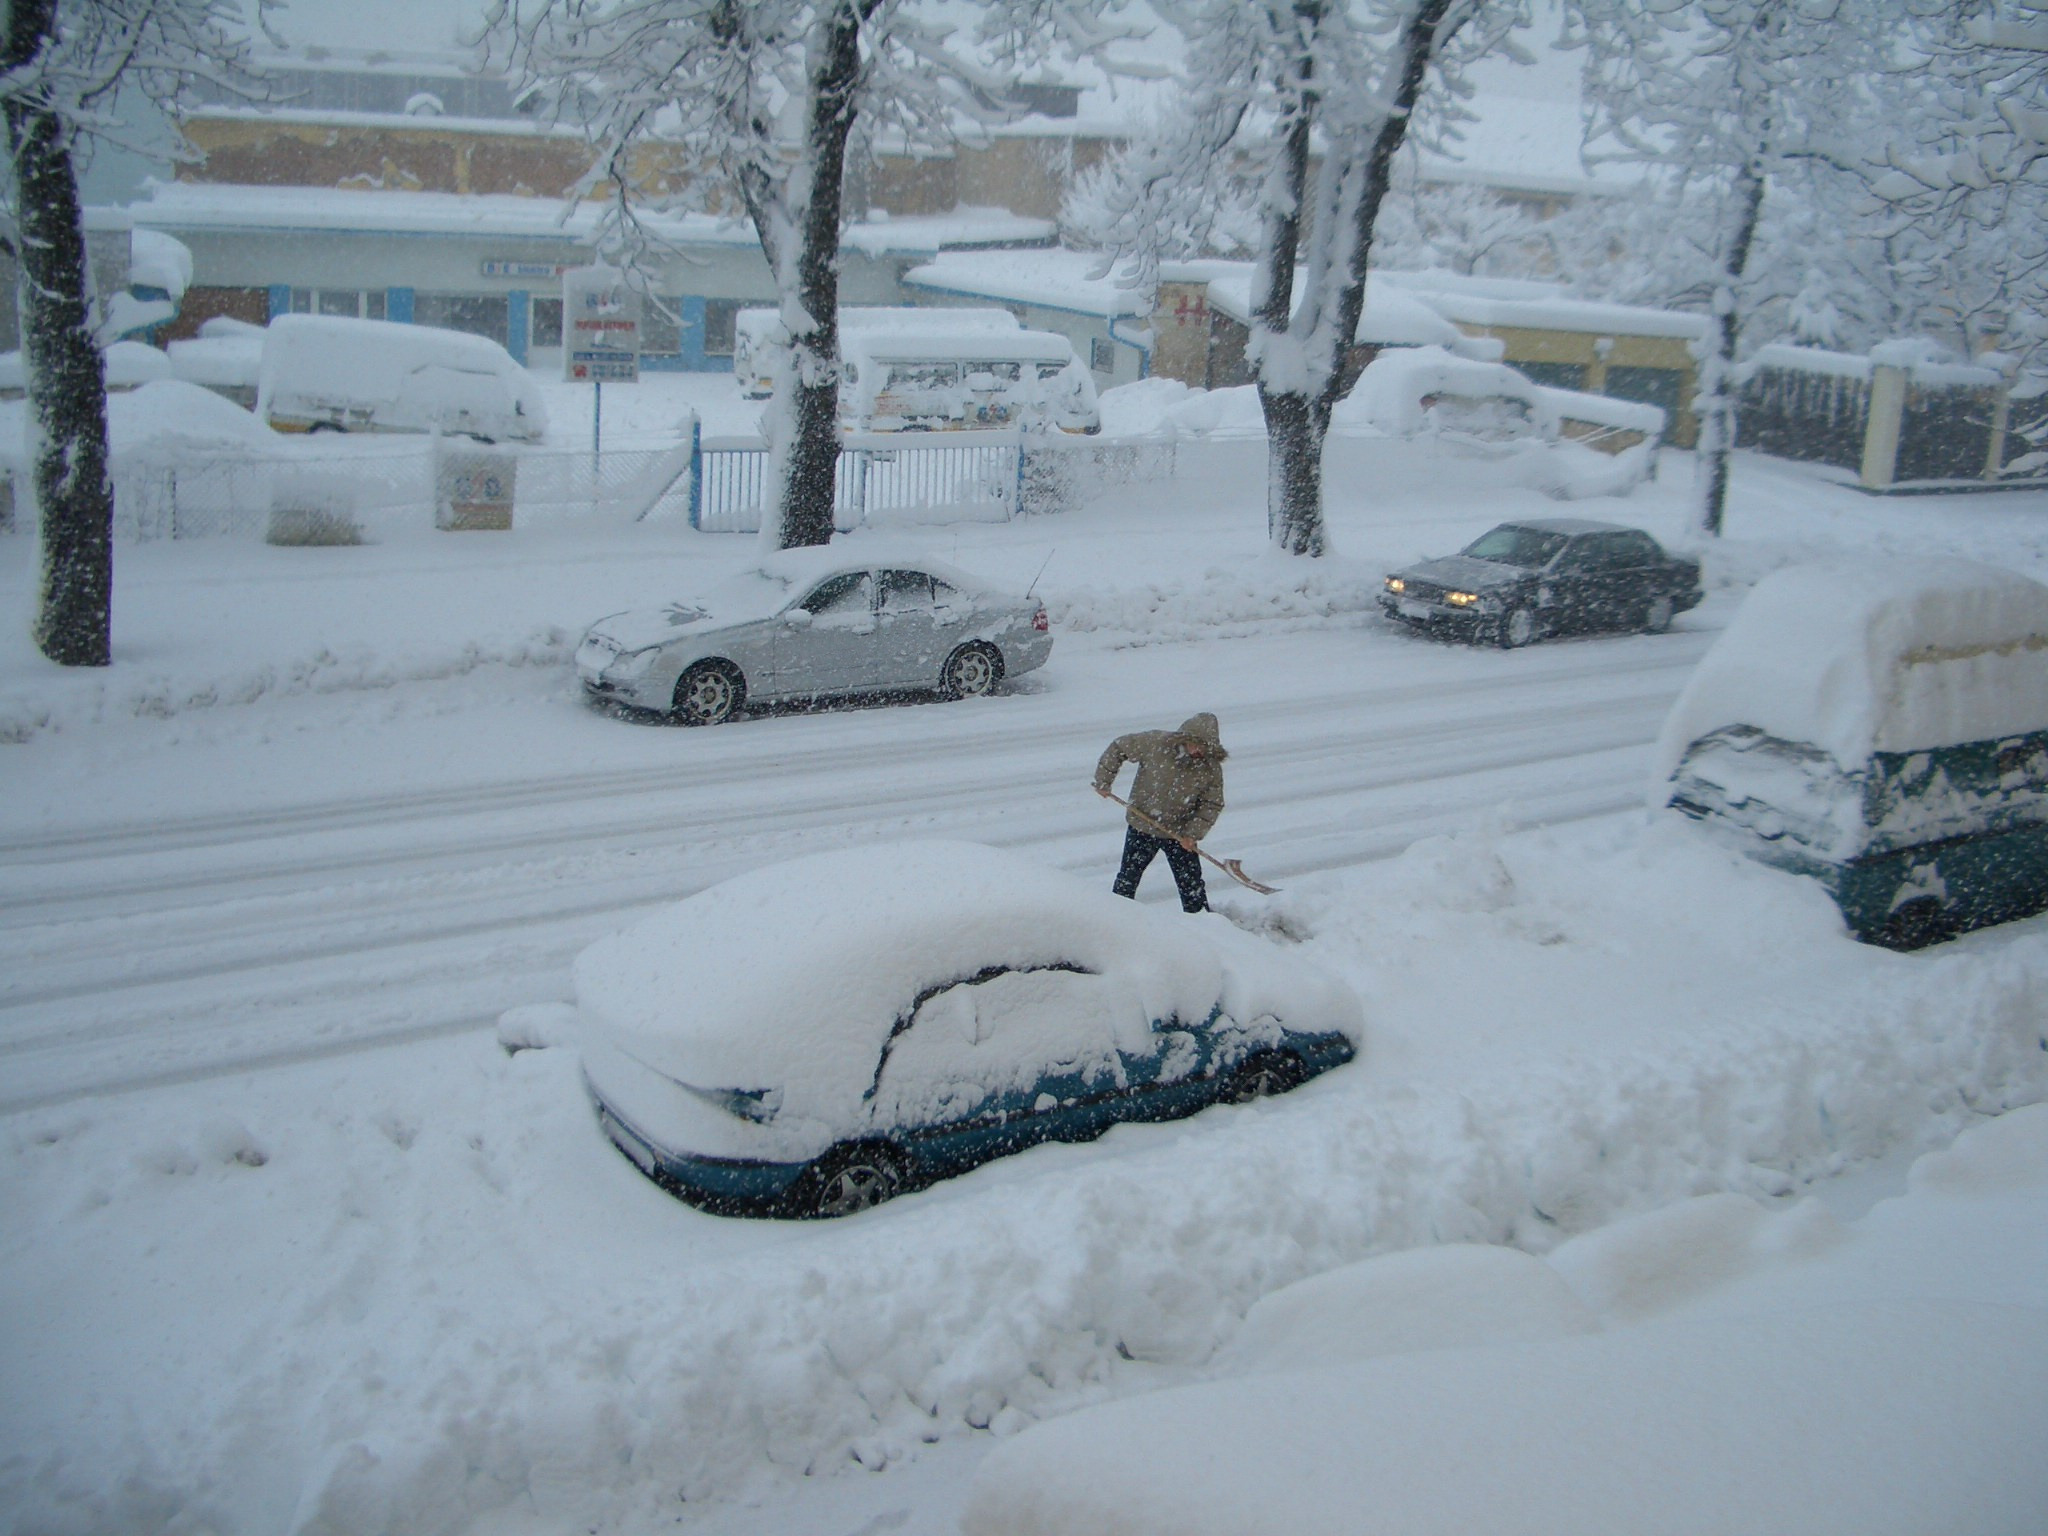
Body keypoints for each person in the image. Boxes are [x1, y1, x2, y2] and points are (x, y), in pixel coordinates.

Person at [1093, 712, 1227, 913]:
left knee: (1192, 888)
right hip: (1143, 825)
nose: (1199, 751)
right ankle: (1116, 920)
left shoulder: (1209, 767)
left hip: (1180, 834)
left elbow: (1212, 803)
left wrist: (1192, 834)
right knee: (1127, 880)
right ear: (1185, 739)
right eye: (1196, 745)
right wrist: (1104, 780)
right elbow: (1119, 747)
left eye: (1205, 747)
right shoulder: (1155, 743)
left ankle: (1202, 928)